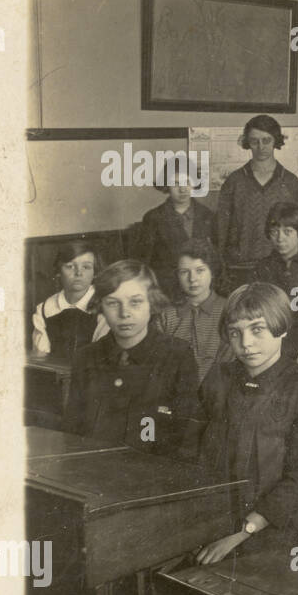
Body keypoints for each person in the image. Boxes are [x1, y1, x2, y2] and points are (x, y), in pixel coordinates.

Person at [194, 283, 298, 563]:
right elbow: (192, 455)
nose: (246, 343)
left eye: (257, 329)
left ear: (281, 328)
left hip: (273, 530)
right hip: (210, 522)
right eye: (235, 333)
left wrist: (243, 531)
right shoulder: (218, 377)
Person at [62, 260, 199, 458]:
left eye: (135, 302)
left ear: (152, 303)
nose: (124, 313)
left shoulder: (177, 356)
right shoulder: (86, 358)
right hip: (92, 474)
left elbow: (185, 438)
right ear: (100, 306)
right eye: (112, 303)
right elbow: (72, 433)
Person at [214, 115, 298, 283]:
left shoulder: (291, 182)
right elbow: (220, 233)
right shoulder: (234, 182)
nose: (261, 147)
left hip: (280, 269)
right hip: (239, 270)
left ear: (276, 141)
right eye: (255, 141)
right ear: (247, 143)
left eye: (266, 140)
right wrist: (222, 269)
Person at [253, 202, 298, 363]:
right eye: (274, 232)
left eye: (288, 232)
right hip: (277, 342)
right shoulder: (263, 267)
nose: (280, 238)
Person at [138, 162, 216, 301]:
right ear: (166, 186)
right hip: (167, 291)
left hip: (201, 289)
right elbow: (144, 262)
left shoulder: (207, 215)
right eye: (175, 183)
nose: (182, 189)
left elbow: (215, 259)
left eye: (187, 182)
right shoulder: (153, 218)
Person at [159, 239, 234, 382]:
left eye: (200, 270)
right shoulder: (167, 315)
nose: (192, 279)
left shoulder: (228, 310)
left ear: (212, 272)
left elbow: (228, 363)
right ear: (176, 276)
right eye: (184, 272)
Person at [31, 240, 108, 358]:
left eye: (86, 267)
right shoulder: (45, 309)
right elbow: (40, 357)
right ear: (58, 272)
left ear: (95, 273)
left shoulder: (105, 305)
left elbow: (102, 357)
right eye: (70, 266)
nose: (78, 273)